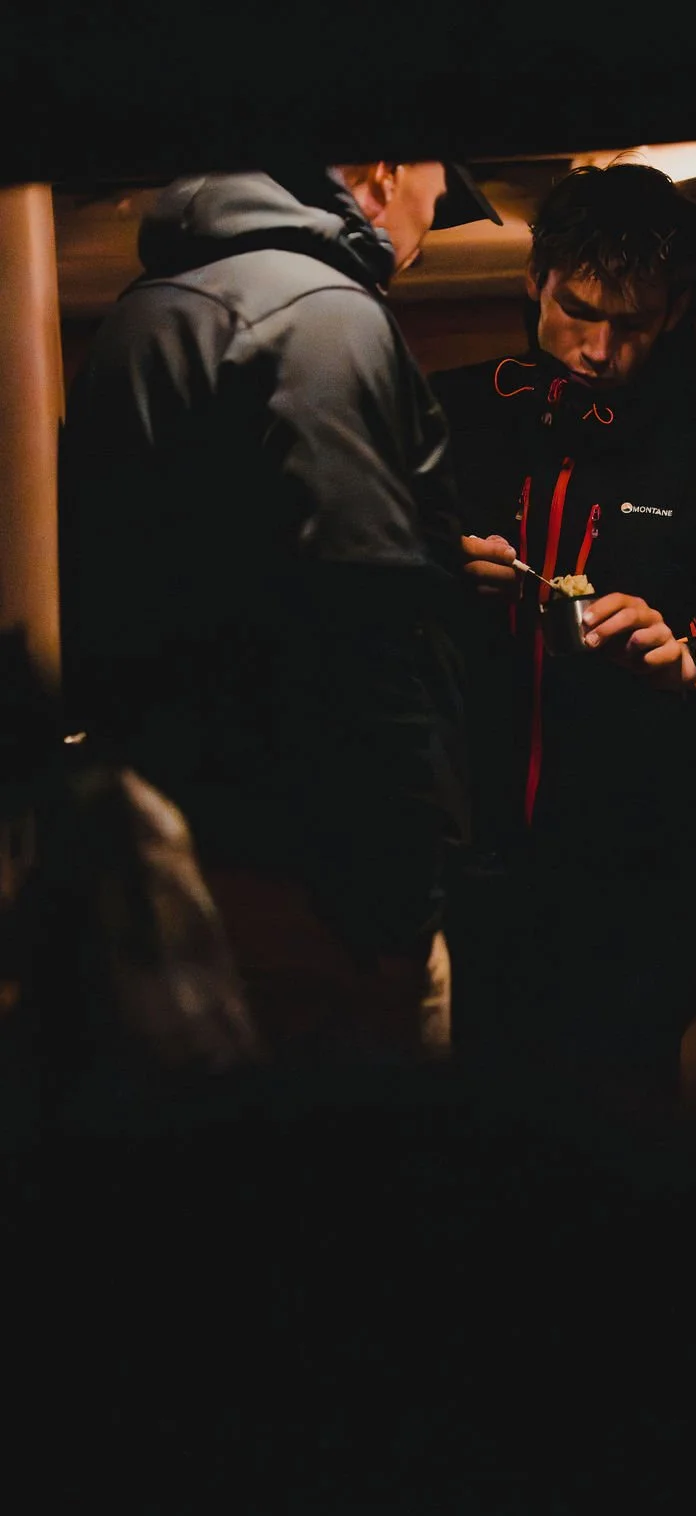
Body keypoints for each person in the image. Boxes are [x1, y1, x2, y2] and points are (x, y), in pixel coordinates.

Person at [57, 158, 502, 1063]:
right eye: (433, 191)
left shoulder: (152, 307)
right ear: (382, 172)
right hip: (322, 902)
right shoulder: (321, 316)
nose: (427, 227)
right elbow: (361, 625)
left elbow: (216, 583)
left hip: (194, 878)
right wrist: (397, 919)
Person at [430, 161, 696, 1108]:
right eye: (578, 312)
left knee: (626, 1128)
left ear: (675, 313)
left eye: (630, 325)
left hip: (633, 887)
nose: (598, 349)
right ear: (534, 282)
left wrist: (689, 661)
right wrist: (431, 579)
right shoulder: (451, 416)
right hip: (467, 872)